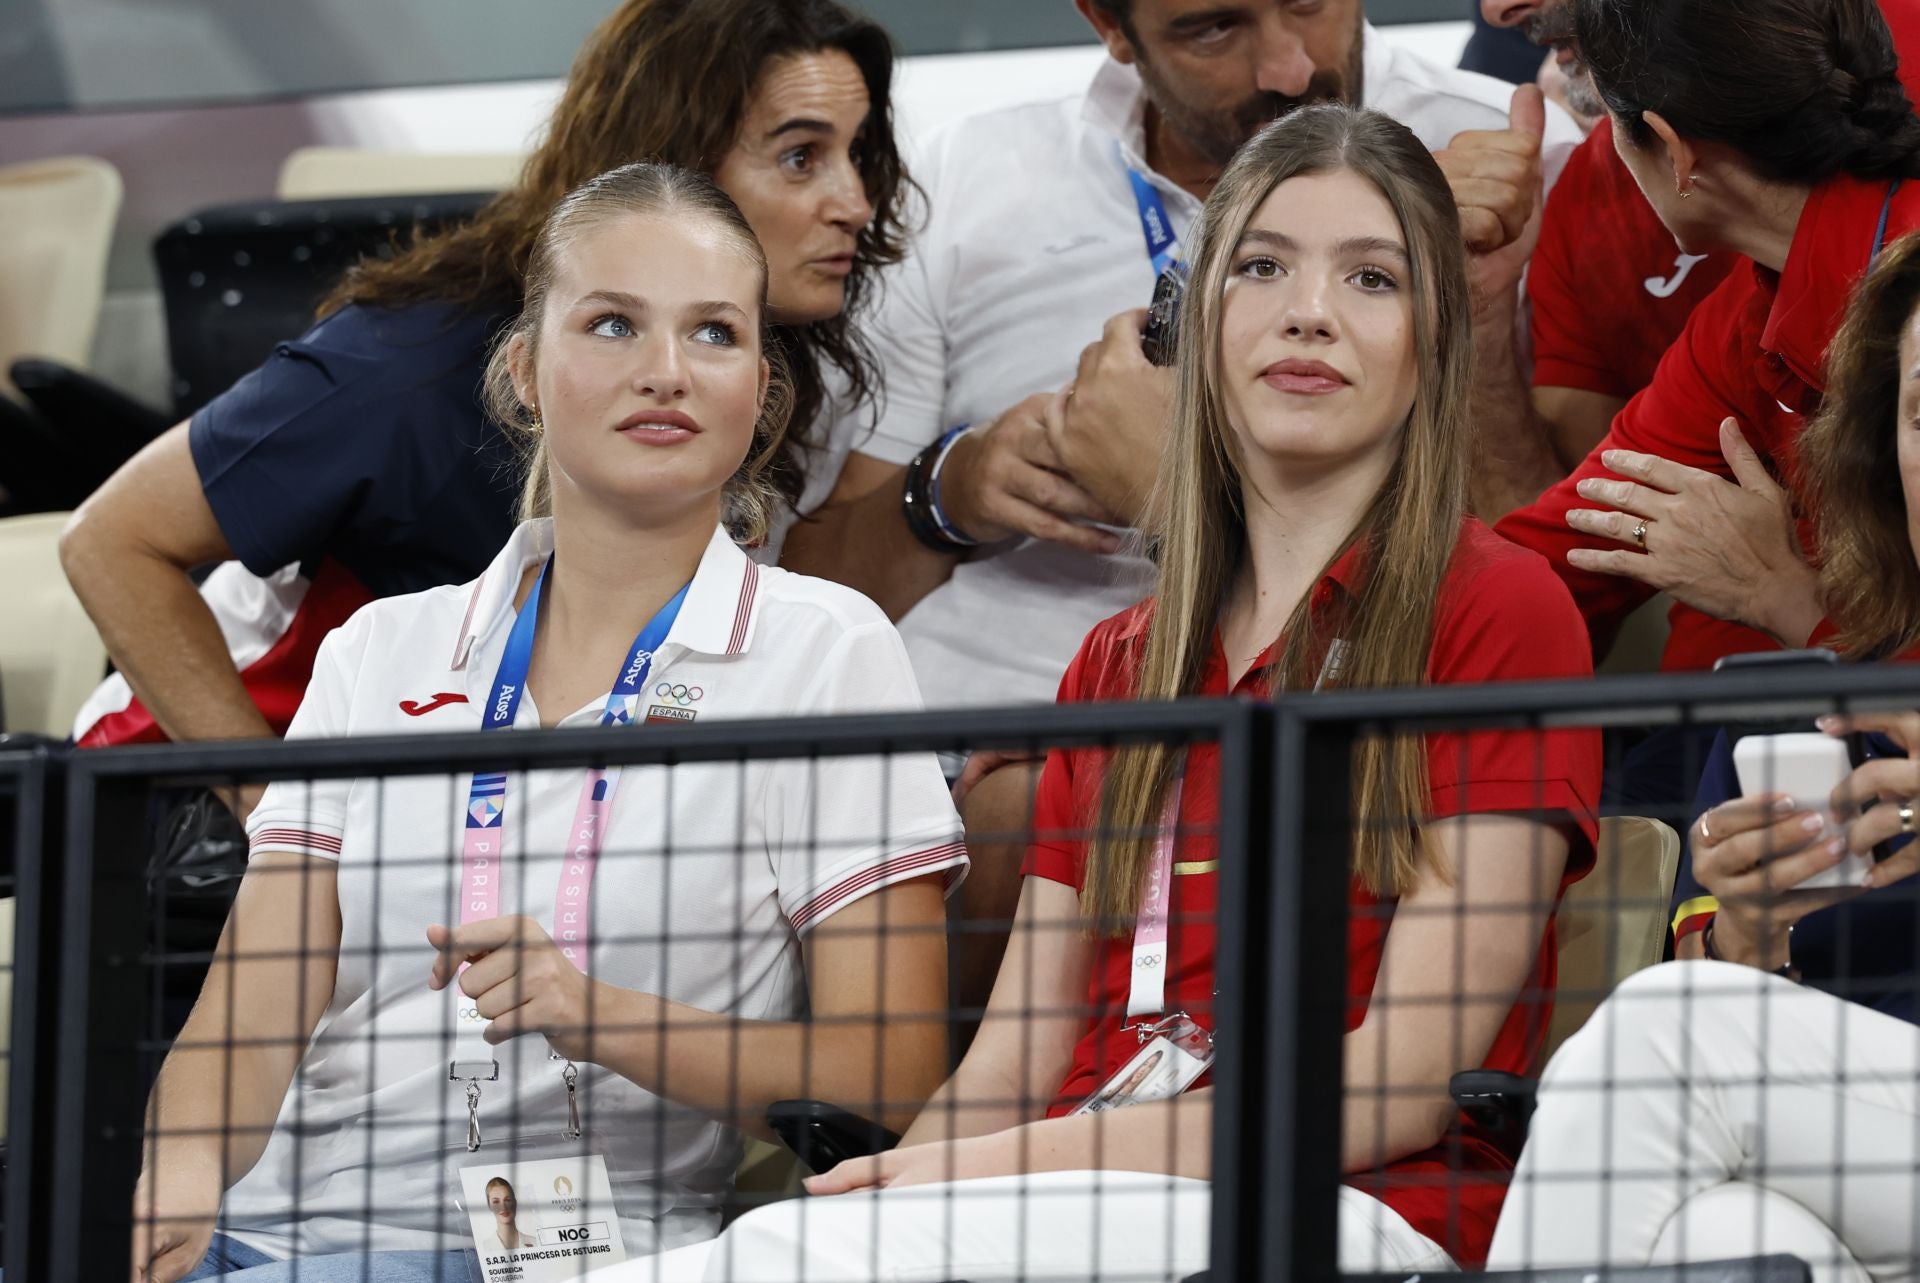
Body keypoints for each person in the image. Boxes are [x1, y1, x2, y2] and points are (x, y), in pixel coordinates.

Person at [616, 103, 1602, 1283]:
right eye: (1263, 265)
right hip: (1065, 1194)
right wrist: (885, 1187)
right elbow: (1007, 1065)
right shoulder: (1117, 662)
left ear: (1433, 338)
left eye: (1372, 279)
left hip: (1342, 1206)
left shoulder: (1499, 608)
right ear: (1205, 320)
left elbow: (1395, 1083)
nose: (1309, 311)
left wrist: (986, 1173)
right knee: (790, 1244)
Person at [128, 164, 967, 1283]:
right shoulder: (384, 648)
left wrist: (596, 1012)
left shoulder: (827, 649)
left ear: (761, 390)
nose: (664, 371)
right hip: (263, 1228)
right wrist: (175, 1179)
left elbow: (889, 1072)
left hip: (572, 1254)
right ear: (523, 370)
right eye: (613, 323)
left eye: (712, 333)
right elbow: (252, 1011)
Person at [782, 0, 1582, 1016]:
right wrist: (955, 489)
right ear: (1110, 26)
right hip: (969, 762)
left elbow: (1560, 583)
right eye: (1216, 30)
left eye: (1314, 5)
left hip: (1330, 744)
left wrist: (1174, 491)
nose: (1292, 68)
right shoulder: (965, 179)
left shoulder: (1514, 154)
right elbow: (813, 603)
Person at [61, 0, 910, 792]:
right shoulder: (409, 366)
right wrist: (272, 823)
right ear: (673, 165)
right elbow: (111, 540)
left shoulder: (769, 369)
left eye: (857, 153)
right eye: (802, 157)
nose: (854, 203)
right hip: (181, 813)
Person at [1486, 222, 1920, 1283]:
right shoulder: (1805, 696)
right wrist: (1752, 930)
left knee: (1668, 1039)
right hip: (1849, 1149)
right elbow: (1713, 991)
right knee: (1711, 1240)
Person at [1495, 0, 1920, 676]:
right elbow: (1570, 542)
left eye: (1609, 123)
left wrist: (1788, 602)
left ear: (1672, 150)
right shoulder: (1744, 320)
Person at [1475, 0, 1736, 512]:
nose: (1497, 10)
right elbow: (1580, 534)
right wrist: (1478, 315)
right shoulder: (1586, 189)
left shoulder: (1896, 66)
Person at [483, 1180, 535, 1254]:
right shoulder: (483, 1248)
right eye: (496, 1202)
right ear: (489, 1206)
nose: (503, 1207)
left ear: (515, 1203)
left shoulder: (535, 1242)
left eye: (507, 1200)